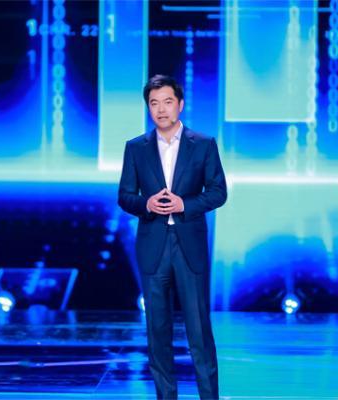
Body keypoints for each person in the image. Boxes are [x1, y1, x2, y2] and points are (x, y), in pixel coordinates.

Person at [117, 74, 227, 399]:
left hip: (189, 247)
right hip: (153, 247)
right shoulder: (135, 148)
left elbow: (218, 192)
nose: (161, 109)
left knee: (199, 331)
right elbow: (125, 196)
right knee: (158, 332)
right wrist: (146, 204)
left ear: (180, 104)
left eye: (167, 102)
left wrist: (184, 204)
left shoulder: (203, 144)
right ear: (148, 108)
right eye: (154, 103)